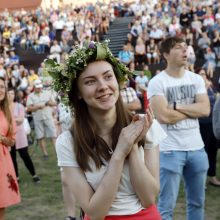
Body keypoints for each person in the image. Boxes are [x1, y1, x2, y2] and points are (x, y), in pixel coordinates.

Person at [45, 41, 164, 220]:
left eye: (108, 76)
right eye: (90, 81)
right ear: (78, 93)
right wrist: (119, 153)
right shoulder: (67, 142)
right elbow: (95, 212)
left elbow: (149, 198)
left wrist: (130, 145)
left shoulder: (146, 125)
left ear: (118, 80)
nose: (102, 86)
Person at [148, 36, 210, 220]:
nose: (185, 51)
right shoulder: (157, 82)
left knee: (197, 203)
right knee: (166, 207)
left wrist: (175, 107)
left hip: (197, 148)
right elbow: (164, 117)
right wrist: (192, 110)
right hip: (170, 150)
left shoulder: (196, 79)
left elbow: (205, 109)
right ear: (166, 54)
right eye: (178, 47)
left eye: (185, 47)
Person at [7, 88, 40, 183]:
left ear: (14, 95)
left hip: (20, 135)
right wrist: (15, 119)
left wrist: (10, 120)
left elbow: (21, 120)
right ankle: (16, 177)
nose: (10, 95)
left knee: (25, 156)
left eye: (12, 93)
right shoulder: (3, 108)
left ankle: (34, 174)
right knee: (12, 158)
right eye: (8, 93)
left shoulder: (19, 106)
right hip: (9, 136)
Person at [0, 77, 20, 220]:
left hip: (2, 162)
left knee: (0, 205)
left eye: (2, 87)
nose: (0, 90)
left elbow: (12, 141)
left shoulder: (7, 113)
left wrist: (2, 138)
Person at [198, 70, 220, 187]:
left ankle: (212, 177)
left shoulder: (212, 87)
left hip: (213, 123)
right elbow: (199, 105)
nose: (203, 76)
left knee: (213, 151)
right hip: (202, 124)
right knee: (203, 152)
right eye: (201, 74)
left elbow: (218, 98)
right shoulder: (198, 89)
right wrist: (205, 88)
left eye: (204, 74)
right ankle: (202, 181)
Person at [26, 79, 57, 159]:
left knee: (53, 135)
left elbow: (54, 103)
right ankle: (45, 154)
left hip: (48, 117)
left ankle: (58, 152)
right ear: (34, 87)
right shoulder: (30, 96)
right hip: (37, 118)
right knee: (40, 137)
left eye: (40, 87)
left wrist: (49, 103)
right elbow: (29, 108)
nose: (39, 89)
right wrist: (38, 106)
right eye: (37, 87)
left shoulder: (47, 93)